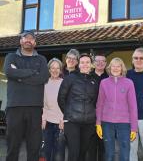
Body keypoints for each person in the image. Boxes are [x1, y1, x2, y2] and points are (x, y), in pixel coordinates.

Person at [3, 30, 49, 161]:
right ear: (20, 41)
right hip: (14, 107)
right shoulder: (11, 57)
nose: (28, 40)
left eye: (31, 38)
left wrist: (19, 76)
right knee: (13, 146)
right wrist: (32, 72)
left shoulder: (41, 59)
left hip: (35, 108)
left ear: (35, 42)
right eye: (25, 38)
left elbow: (43, 78)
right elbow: (8, 71)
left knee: (34, 147)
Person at [96, 57, 138, 161]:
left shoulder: (129, 83)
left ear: (122, 68)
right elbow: (100, 104)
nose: (115, 68)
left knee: (124, 153)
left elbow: (133, 106)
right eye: (113, 66)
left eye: (118, 66)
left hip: (124, 123)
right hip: (107, 123)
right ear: (110, 68)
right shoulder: (104, 83)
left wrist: (134, 128)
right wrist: (98, 123)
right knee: (109, 153)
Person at [58, 53, 98, 161]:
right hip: (72, 122)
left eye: (87, 62)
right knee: (74, 152)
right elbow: (61, 98)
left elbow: (95, 101)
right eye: (82, 62)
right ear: (78, 65)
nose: (85, 65)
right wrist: (68, 114)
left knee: (82, 152)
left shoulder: (95, 80)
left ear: (91, 65)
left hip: (89, 123)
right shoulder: (70, 78)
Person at [42, 58, 65, 161]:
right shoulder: (44, 83)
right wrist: (43, 118)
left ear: (60, 70)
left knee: (58, 154)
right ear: (49, 69)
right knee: (46, 153)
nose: (55, 70)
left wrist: (63, 119)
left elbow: (67, 104)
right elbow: (43, 104)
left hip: (61, 123)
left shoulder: (65, 83)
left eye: (57, 68)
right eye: (52, 68)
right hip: (47, 123)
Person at [86, 53, 108, 161]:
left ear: (106, 63)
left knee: (104, 146)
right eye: (97, 61)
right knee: (91, 146)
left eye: (103, 61)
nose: (100, 63)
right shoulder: (87, 77)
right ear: (93, 63)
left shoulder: (110, 77)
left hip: (105, 117)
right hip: (90, 116)